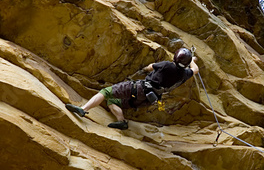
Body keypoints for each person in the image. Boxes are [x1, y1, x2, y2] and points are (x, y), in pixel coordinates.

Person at [65, 48, 199, 130]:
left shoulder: (167, 65)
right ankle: (122, 122)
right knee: (112, 101)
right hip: (148, 99)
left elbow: (151, 66)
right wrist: (192, 60)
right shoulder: (184, 74)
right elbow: (195, 69)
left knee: (105, 92)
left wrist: (143, 70)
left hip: (139, 88)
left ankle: (83, 110)